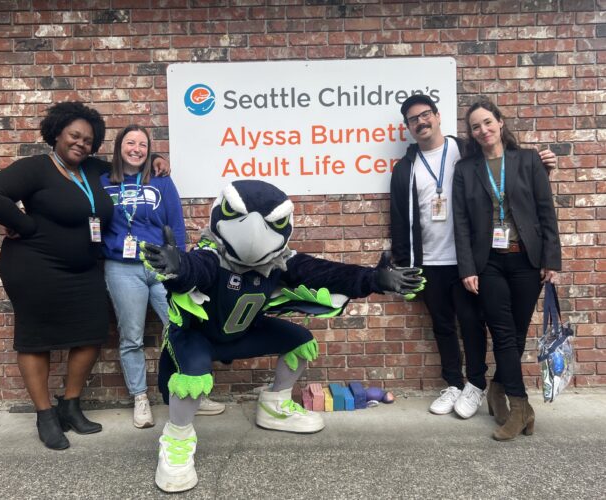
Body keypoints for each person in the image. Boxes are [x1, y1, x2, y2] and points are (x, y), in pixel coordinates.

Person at [139, 179, 425, 493]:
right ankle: (177, 438)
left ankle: (274, 404)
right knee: (193, 374)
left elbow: (325, 272)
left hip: (243, 334)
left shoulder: (279, 262)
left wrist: (374, 278)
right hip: (199, 338)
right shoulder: (211, 256)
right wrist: (177, 267)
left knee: (301, 341)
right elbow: (196, 270)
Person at [0, 102, 168, 450]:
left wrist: (156, 160)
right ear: (57, 134)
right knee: (37, 339)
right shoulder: (36, 169)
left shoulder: (93, 169)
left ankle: (71, 405)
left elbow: (129, 162)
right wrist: (23, 224)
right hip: (35, 267)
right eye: (74, 136)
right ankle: (45, 414)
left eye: (88, 139)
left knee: (92, 334)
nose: (80, 143)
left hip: (83, 268)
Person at [390, 95, 557, 419]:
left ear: (438, 116)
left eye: (426, 115)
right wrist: (404, 262)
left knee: (472, 323)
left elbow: (506, 173)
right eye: (413, 119)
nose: (421, 122)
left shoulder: (463, 151)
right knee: (442, 325)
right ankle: (454, 383)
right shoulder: (405, 169)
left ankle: (476, 384)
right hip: (429, 259)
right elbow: (399, 218)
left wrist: (542, 165)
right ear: (408, 127)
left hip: (470, 258)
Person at [101, 125, 225, 429]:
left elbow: (176, 225)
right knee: (131, 335)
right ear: (119, 147)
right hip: (121, 268)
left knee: (181, 327)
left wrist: (180, 265)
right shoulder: (103, 182)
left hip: (161, 268)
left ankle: (193, 391)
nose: (136, 149)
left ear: (149, 150)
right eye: (130, 142)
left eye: (143, 144)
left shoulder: (161, 181)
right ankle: (140, 397)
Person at [452, 98, 561, 440]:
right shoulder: (466, 169)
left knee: (515, 334)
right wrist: (467, 267)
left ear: (500, 122)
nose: (482, 130)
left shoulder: (528, 161)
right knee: (502, 332)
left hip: (527, 260)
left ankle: (498, 390)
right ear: (470, 134)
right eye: (475, 126)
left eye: (487, 122)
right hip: (489, 263)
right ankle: (520, 407)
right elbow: (462, 223)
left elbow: (546, 212)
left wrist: (552, 260)